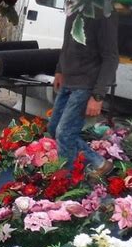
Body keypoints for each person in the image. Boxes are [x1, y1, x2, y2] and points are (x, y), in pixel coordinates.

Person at [48, 11, 119, 177]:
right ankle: (99, 163)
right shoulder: (74, 7)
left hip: (87, 83)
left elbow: (111, 58)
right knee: (54, 128)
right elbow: (67, 42)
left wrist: (98, 96)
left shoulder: (105, 13)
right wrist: (59, 70)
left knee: (65, 133)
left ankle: (67, 181)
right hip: (68, 80)